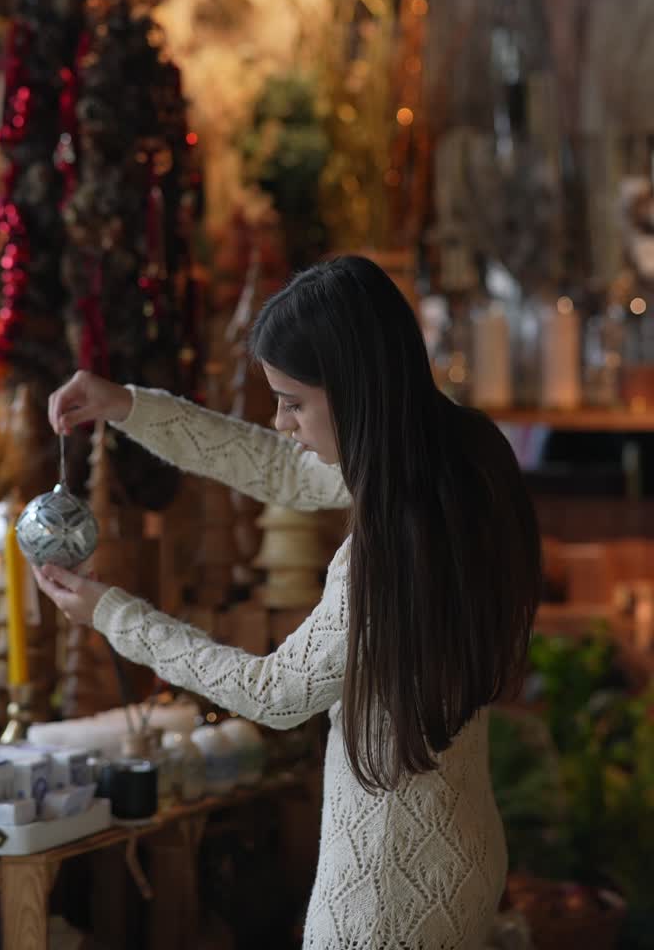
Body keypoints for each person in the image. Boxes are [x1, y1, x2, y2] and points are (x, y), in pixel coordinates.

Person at [34, 254, 541, 949]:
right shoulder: (459, 458)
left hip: (383, 889)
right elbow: (282, 469)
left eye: (293, 402)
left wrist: (111, 613)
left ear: (356, 390)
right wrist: (128, 405)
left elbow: (273, 692)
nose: (281, 421)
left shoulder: (386, 547)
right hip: (462, 856)